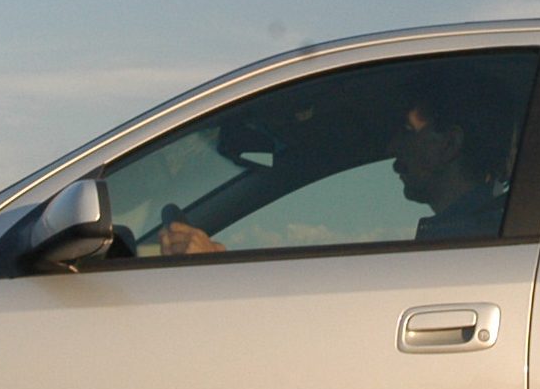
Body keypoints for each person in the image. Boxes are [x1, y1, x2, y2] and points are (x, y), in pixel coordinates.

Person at [158, 70, 515, 255]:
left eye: (408, 131)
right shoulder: (485, 236)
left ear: (450, 143)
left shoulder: (472, 244)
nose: (393, 147)